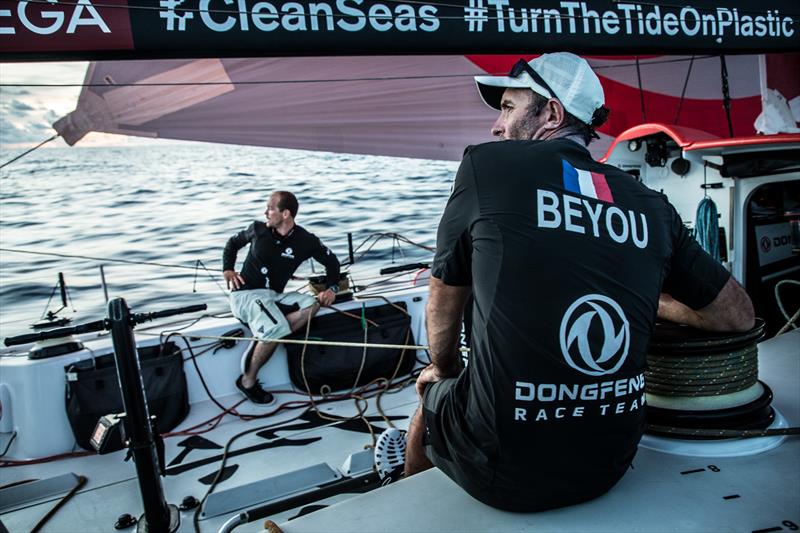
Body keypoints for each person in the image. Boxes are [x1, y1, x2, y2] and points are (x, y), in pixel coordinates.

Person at [376, 53, 755, 511]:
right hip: (607, 464)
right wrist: (651, 301)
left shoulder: (489, 168)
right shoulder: (651, 206)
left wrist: (444, 367)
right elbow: (737, 316)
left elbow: (443, 290)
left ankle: (398, 503)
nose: (497, 126)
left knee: (430, 401)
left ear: (551, 113)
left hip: (503, 471)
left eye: (509, 107)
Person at [223, 191, 340, 404]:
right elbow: (232, 244)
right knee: (275, 326)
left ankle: (271, 333)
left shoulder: (306, 240)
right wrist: (228, 270)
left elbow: (333, 263)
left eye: (270, 208)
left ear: (285, 214)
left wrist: (331, 288)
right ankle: (247, 381)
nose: (265, 212)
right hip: (245, 295)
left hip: (274, 296)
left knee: (312, 304)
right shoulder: (257, 229)